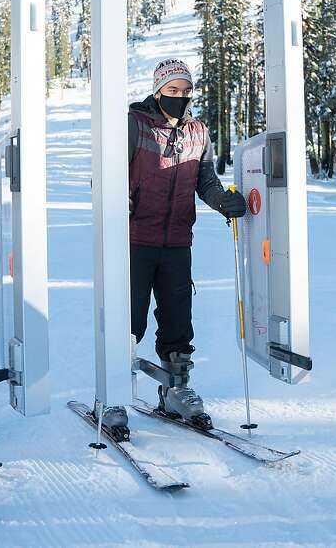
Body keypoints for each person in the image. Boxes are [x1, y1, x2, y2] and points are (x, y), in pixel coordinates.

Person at [100, 58, 247, 435]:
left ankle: (176, 389)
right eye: (172, 90)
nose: (180, 97)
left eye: (185, 91)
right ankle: (112, 395)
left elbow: (206, 181)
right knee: (127, 322)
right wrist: (117, 199)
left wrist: (222, 201)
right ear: (158, 90)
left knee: (178, 323)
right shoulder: (133, 124)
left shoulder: (198, 132)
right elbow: (104, 175)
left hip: (178, 241)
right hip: (133, 241)